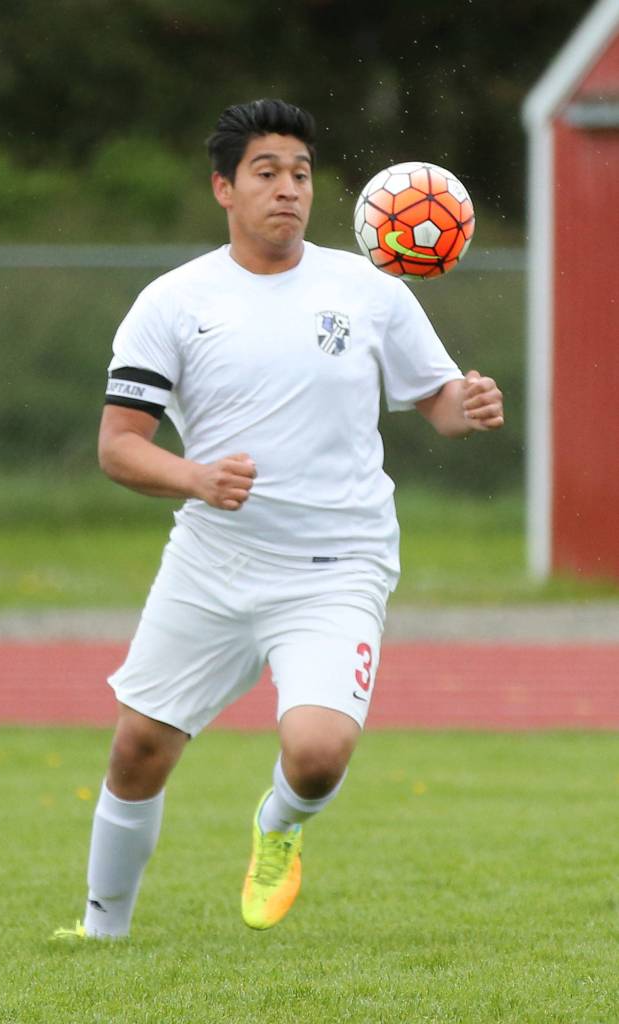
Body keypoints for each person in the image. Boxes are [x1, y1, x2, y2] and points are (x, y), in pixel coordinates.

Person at [53, 98, 503, 940]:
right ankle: (99, 932)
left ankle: (278, 826)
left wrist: (466, 403)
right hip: (213, 562)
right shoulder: (172, 301)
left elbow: (436, 403)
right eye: (266, 173)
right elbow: (119, 447)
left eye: (299, 174)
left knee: (317, 752)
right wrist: (194, 477)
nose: (287, 189)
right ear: (224, 188)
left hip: (337, 563)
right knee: (137, 752)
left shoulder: (367, 289)